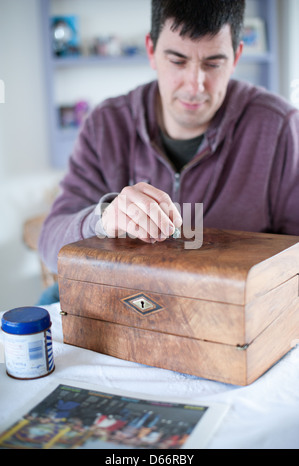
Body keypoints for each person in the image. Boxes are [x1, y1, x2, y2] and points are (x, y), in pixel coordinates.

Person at [38, 0, 299, 281]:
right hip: (129, 307)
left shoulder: (280, 128)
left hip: (238, 313)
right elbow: (50, 243)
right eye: (177, 61)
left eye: (213, 63)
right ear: (151, 51)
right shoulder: (106, 124)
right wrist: (102, 219)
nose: (194, 85)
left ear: (236, 57)